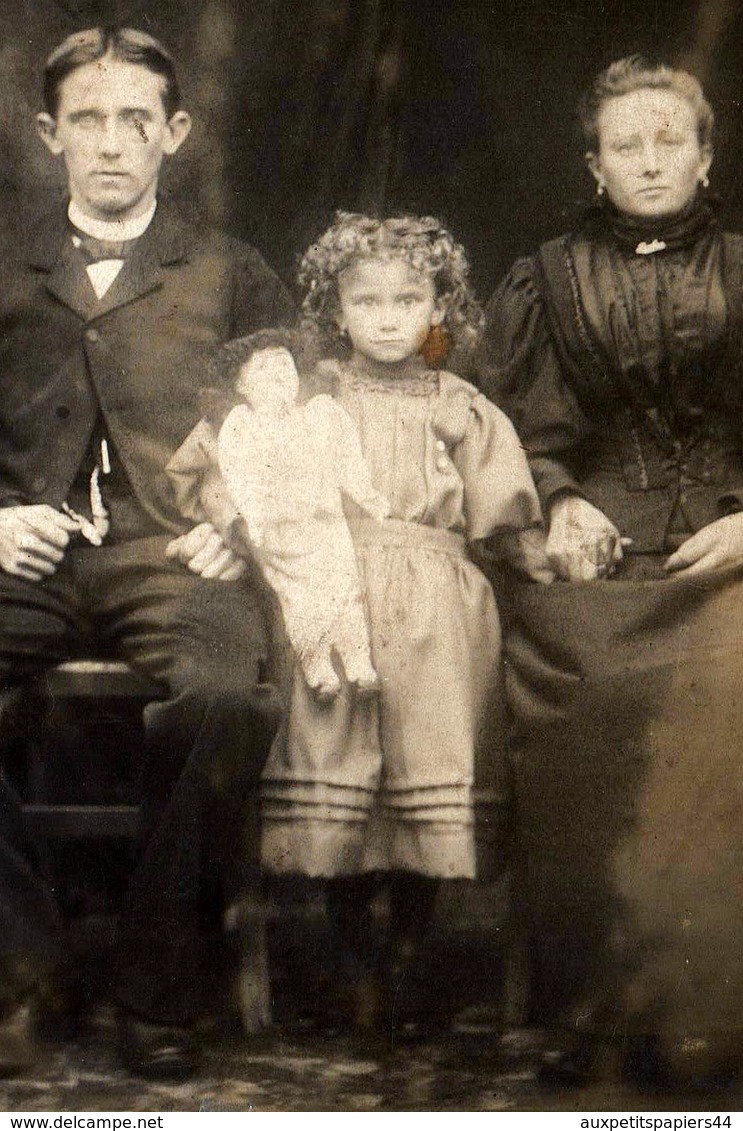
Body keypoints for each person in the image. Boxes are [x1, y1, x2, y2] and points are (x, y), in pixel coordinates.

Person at [0, 27, 294, 1079]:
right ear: (49, 135)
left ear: (175, 133)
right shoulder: (5, 264)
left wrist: (240, 522)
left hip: (175, 555)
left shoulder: (227, 273)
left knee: (224, 694)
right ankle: (21, 971)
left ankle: (156, 980)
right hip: (22, 555)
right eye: (87, 120)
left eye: (136, 121)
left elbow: (289, 425)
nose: (112, 144)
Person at [476, 56, 743, 1089]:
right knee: (568, 686)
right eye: (621, 145)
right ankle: (594, 1015)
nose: (645, 161)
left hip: (726, 543)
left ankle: (705, 1019)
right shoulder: (545, 277)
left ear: (704, 152)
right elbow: (510, 424)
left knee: (723, 691)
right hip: (594, 545)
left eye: (665, 139)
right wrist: (556, 497)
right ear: (592, 164)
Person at [258, 212, 542, 1038]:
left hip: (434, 610)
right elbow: (245, 468)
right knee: (337, 756)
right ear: (334, 311)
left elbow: (504, 510)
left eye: (407, 298)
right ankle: (353, 956)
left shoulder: (460, 404)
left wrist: (543, 556)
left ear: (437, 310)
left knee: (425, 757)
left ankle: (410, 952)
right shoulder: (309, 398)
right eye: (365, 299)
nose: (386, 316)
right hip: (331, 590)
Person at [166, 328, 389, 700]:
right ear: (241, 384)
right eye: (264, 370)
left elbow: (346, 461)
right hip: (274, 531)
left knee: (344, 585)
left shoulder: (317, 415)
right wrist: (234, 521)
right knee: (298, 597)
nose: (278, 376)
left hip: (323, 521)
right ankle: (319, 668)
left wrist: (366, 496)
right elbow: (206, 475)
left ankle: (357, 661)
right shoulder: (235, 427)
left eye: (285, 367)